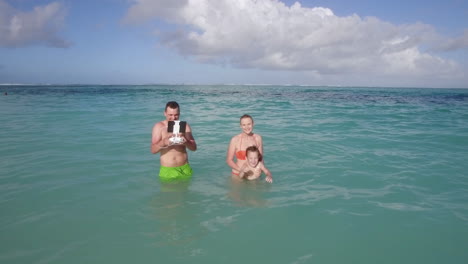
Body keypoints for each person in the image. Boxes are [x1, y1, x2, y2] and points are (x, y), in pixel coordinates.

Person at [151, 101, 197, 181]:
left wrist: (185, 142)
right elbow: (153, 150)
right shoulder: (159, 127)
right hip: (168, 170)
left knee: (185, 193)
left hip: (185, 168)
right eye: (170, 115)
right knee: (168, 193)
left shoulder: (185, 126)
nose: (173, 118)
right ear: (165, 113)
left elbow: (194, 148)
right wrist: (164, 142)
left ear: (179, 113)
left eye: (176, 115)